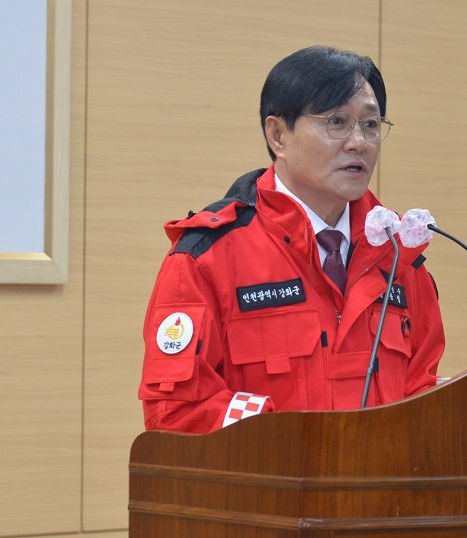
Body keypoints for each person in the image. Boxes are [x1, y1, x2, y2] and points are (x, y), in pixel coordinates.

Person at [138, 46, 445, 434]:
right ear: (278, 135)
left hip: (383, 492)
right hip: (269, 490)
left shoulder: (399, 255)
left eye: (370, 124)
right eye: (337, 121)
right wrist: (290, 448)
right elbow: (176, 413)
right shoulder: (206, 257)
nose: (359, 142)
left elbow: (421, 391)